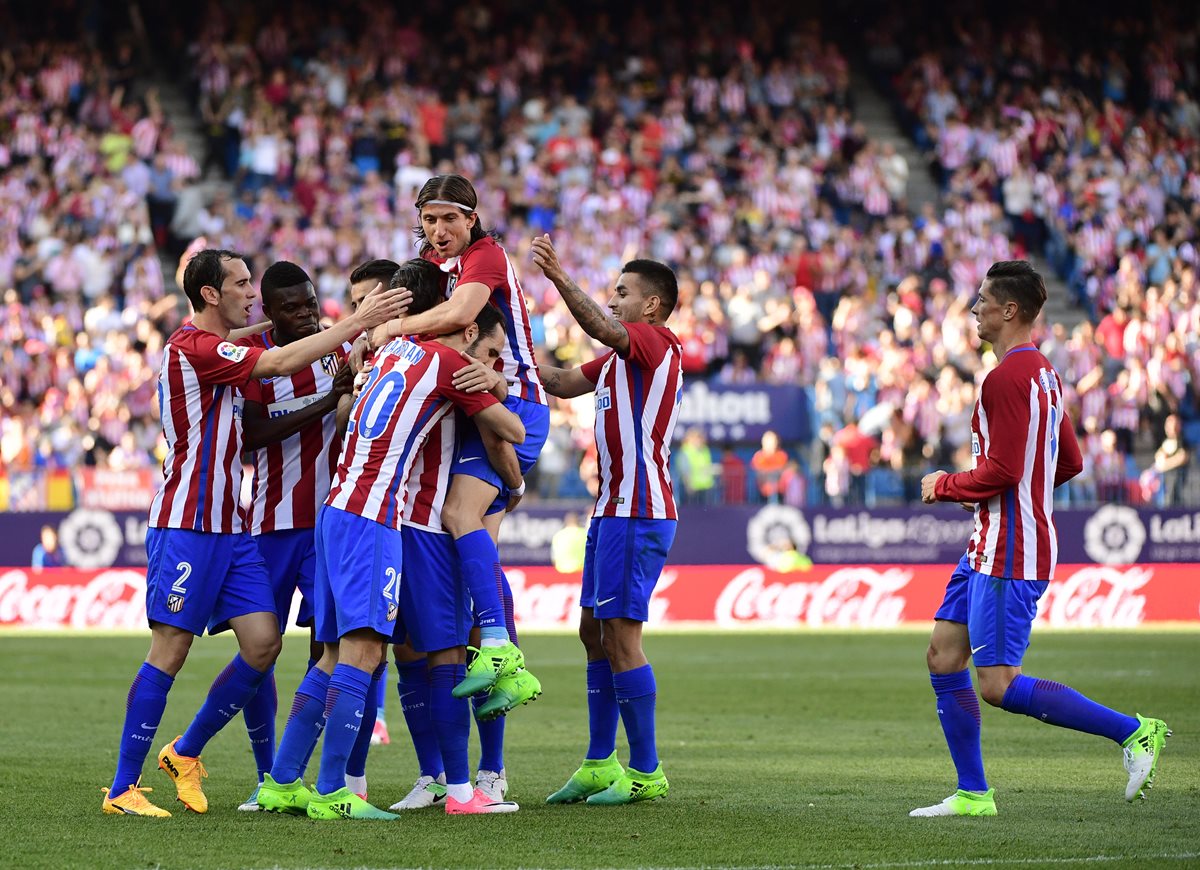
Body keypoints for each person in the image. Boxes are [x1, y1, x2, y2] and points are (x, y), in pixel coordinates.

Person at [100, 248, 405, 817]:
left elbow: (268, 333)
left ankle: (190, 754)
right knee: (171, 648)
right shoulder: (194, 346)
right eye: (241, 283)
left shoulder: (224, 341)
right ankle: (122, 789)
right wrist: (357, 321)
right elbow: (271, 365)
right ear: (211, 294)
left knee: (263, 644)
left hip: (233, 526)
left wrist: (302, 322)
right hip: (187, 522)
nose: (250, 291)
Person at [912, 261, 1169, 818]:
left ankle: (1134, 732)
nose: (974, 308)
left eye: (982, 300)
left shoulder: (1005, 378)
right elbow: (1069, 460)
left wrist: (946, 484)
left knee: (999, 685)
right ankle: (973, 794)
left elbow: (1003, 470)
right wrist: (1017, 489)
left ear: (1009, 311)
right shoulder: (1044, 374)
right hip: (987, 543)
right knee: (942, 656)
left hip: (1010, 550)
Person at [258, 301, 526, 821]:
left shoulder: (390, 351)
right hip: (376, 516)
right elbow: (512, 430)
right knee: (365, 654)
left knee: (334, 655)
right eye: (489, 351)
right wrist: (492, 383)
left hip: (334, 510)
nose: (489, 361)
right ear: (464, 328)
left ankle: (283, 780)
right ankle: (335, 790)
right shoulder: (447, 364)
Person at [371, 174, 549, 790]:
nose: (439, 229)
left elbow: (463, 315)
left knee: (463, 527)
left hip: (506, 400)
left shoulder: (485, 257)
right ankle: (442, 776)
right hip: (462, 411)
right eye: (430, 218)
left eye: (451, 218)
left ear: (472, 220)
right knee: (427, 625)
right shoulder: (427, 266)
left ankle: (493, 761)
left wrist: (387, 330)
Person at [532, 234, 682, 806]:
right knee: (592, 633)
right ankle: (599, 762)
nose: (613, 299)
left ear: (652, 305)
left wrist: (560, 279)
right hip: (612, 510)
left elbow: (604, 328)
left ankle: (646, 771)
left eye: (623, 292)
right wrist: (507, 363)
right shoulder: (622, 358)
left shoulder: (653, 342)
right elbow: (566, 381)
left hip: (638, 510)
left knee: (620, 637)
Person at [234, 260, 355, 811]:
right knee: (260, 651)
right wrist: (326, 403)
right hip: (272, 525)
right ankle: (267, 775)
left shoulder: (335, 345)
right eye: (293, 308)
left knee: (328, 648)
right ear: (269, 312)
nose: (306, 314)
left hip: (331, 522)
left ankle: (302, 768)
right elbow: (253, 434)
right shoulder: (257, 358)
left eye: (311, 302)